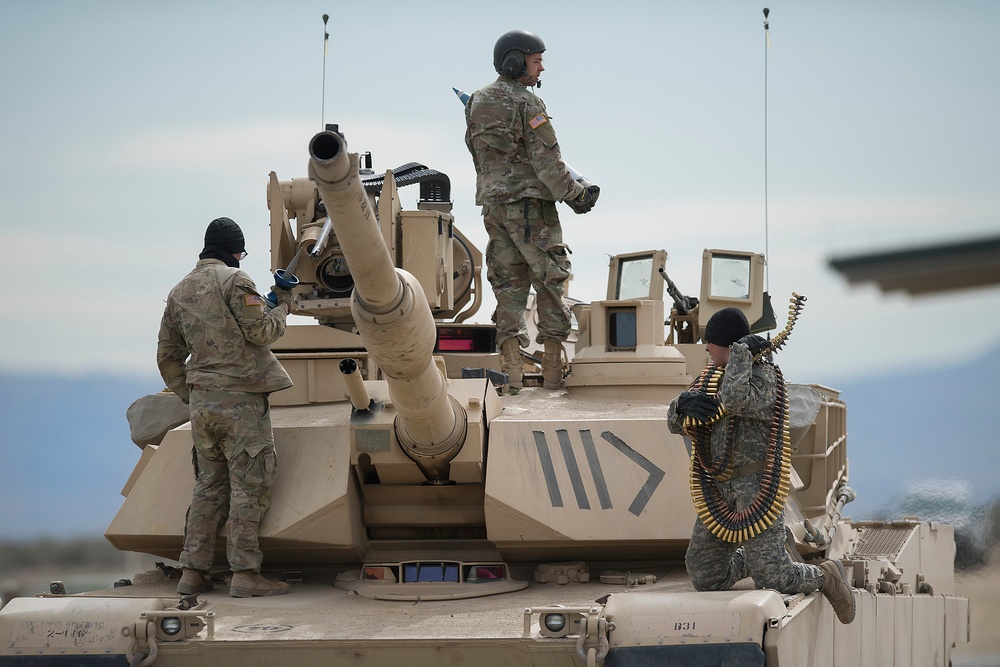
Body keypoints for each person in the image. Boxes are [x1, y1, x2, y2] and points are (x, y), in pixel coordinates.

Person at [667, 307, 856, 624]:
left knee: (773, 581)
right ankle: (758, 556)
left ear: (728, 346)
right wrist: (680, 405)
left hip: (758, 491)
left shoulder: (764, 379)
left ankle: (825, 576)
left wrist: (741, 357)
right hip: (719, 492)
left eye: (711, 342)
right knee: (704, 574)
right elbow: (676, 424)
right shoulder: (711, 379)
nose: (706, 348)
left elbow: (735, 400)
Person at [157, 217, 295, 598]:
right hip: (241, 402)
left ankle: (193, 572)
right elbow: (261, 332)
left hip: (203, 406)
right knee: (249, 485)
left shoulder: (178, 291)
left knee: (208, 487)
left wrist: (193, 393)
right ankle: (246, 574)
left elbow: (168, 355)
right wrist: (282, 304)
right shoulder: (237, 281)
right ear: (235, 251)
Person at [464, 30, 600, 392]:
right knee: (551, 278)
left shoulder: (476, 101)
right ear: (515, 62)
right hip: (530, 210)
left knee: (508, 285)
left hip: (494, 208)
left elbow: (477, 154)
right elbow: (548, 162)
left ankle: (511, 372)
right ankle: (553, 369)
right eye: (536, 61)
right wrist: (577, 196)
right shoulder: (528, 104)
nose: (541, 69)